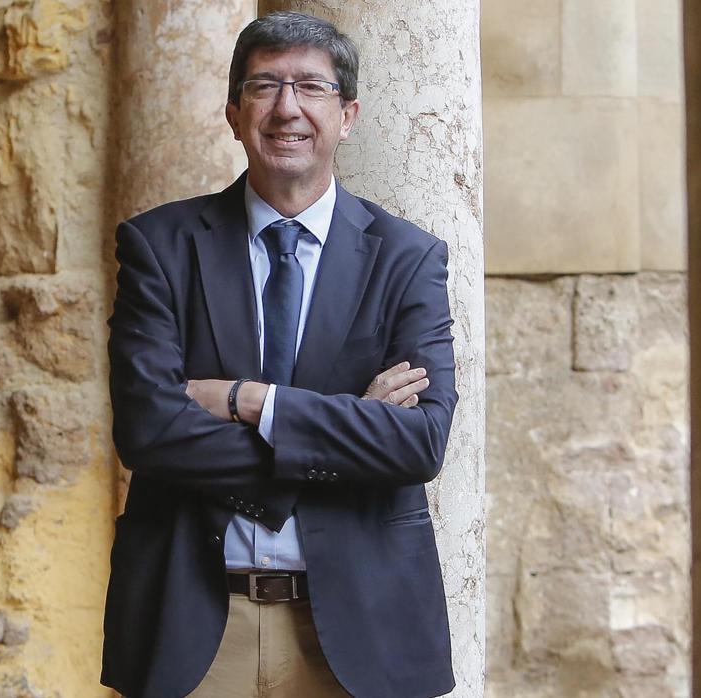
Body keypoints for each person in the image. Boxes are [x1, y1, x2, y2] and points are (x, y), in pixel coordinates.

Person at [102, 11, 458, 698]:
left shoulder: (408, 259)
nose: (287, 108)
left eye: (311, 87)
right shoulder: (160, 248)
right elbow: (148, 432)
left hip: (359, 634)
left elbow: (419, 442)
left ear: (347, 114)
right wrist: (348, 427)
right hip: (196, 626)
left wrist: (252, 403)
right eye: (265, 86)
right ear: (235, 113)